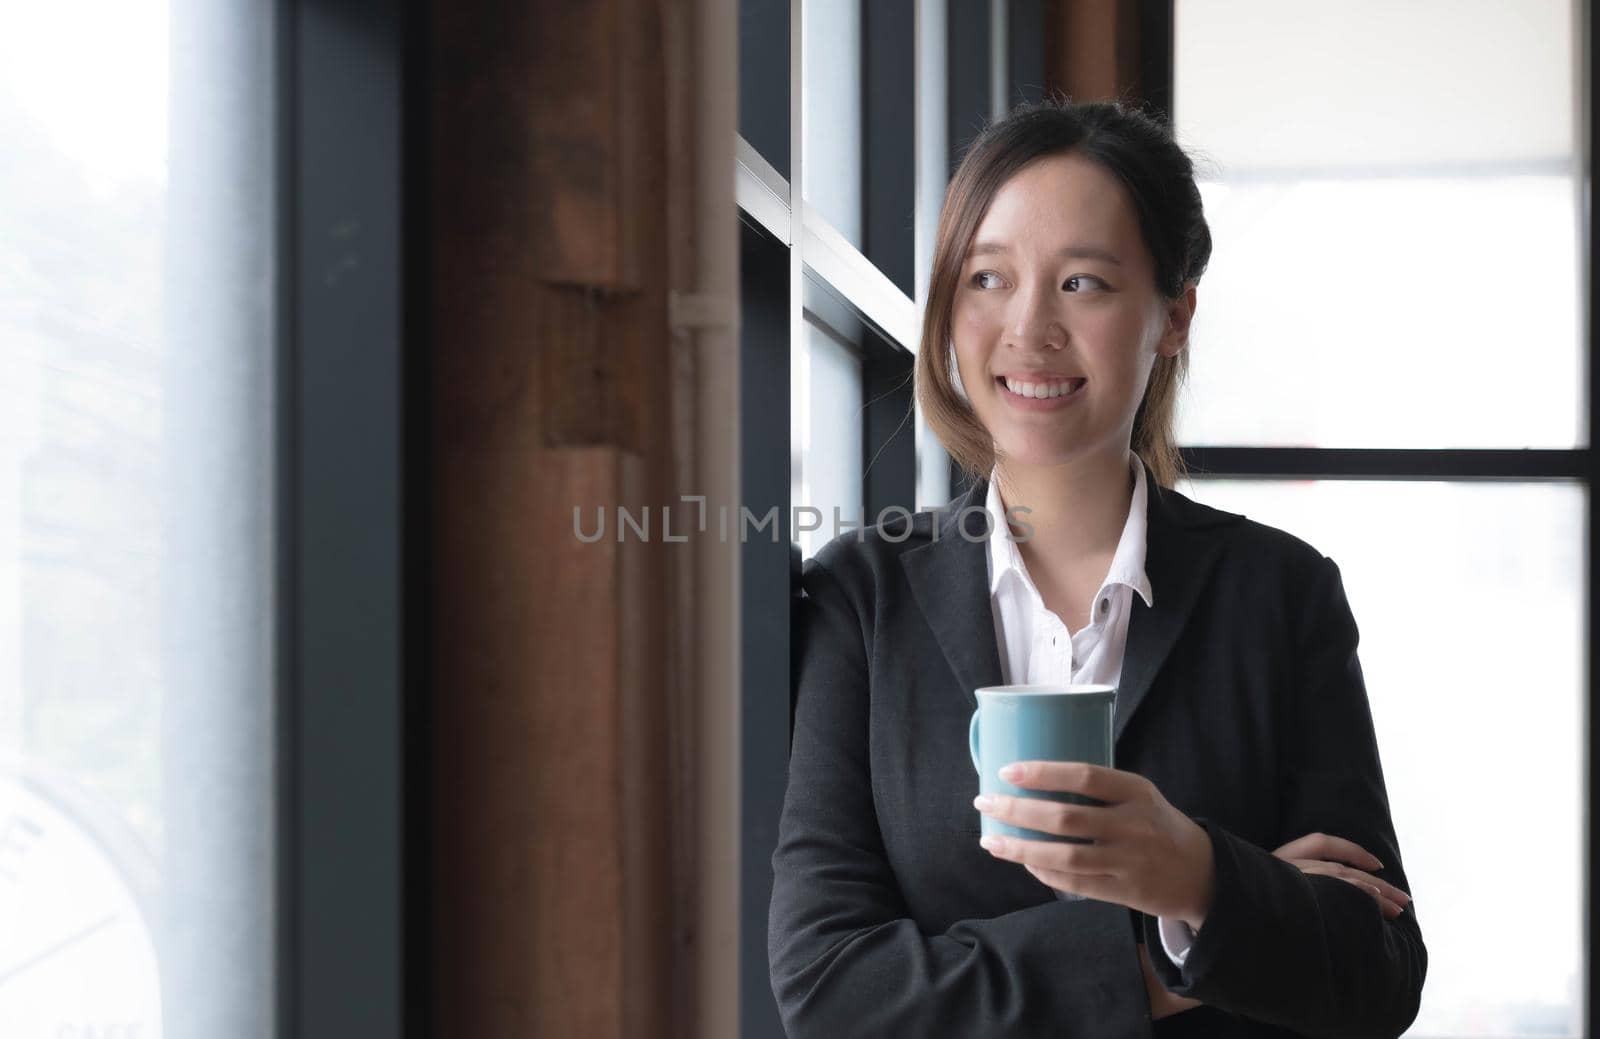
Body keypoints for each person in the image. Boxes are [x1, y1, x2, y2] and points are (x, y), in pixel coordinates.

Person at [767, 98, 1427, 1038]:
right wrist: (1173, 942)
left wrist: (1193, 870)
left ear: (1173, 314)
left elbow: (1379, 967)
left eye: (1083, 283)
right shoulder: (862, 595)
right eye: (988, 277)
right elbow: (829, 989)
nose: (1028, 327)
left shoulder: (1281, 593)